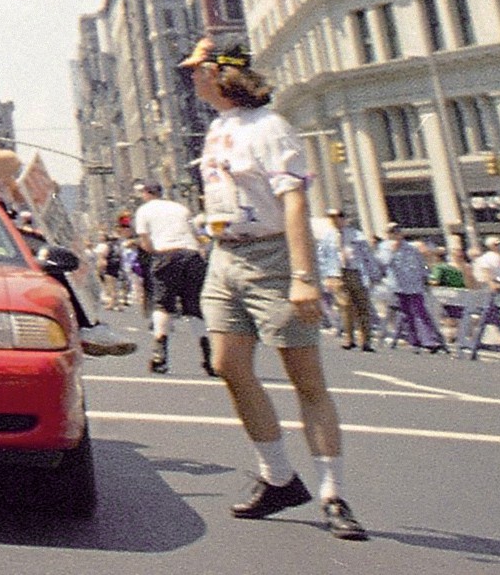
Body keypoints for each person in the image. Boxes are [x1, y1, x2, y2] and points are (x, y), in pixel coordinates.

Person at [185, 38, 365, 541]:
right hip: (225, 257)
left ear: (223, 75)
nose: (192, 79)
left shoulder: (270, 128)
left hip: (274, 258)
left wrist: (304, 278)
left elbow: (293, 204)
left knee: (305, 378)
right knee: (227, 364)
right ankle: (279, 477)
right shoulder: (219, 128)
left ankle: (333, 493)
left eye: (198, 70)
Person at [131, 177, 207, 375]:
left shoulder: (144, 210)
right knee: (194, 307)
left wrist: (153, 257)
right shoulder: (180, 208)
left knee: (163, 305)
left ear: (146, 194)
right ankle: (208, 355)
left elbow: (145, 242)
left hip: (165, 254)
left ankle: (159, 354)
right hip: (191, 255)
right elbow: (196, 236)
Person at [325, 208, 376, 351]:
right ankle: (348, 338)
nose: (335, 220)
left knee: (362, 306)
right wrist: (326, 276)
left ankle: (365, 340)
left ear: (344, 218)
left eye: (338, 217)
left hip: (355, 272)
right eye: (332, 218)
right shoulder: (328, 237)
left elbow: (367, 256)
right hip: (337, 274)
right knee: (345, 306)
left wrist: (373, 274)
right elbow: (323, 257)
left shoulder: (356, 235)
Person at [385, 228, 441, 350]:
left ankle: (428, 340)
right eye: (392, 232)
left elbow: (422, 264)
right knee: (406, 314)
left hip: (414, 286)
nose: (395, 235)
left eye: (397, 232)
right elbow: (382, 264)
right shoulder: (385, 248)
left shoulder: (412, 249)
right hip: (397, 287)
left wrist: (426, 276)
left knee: (419, 312)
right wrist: (392, 251)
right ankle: (414, 339)